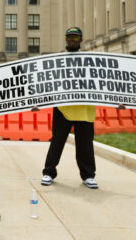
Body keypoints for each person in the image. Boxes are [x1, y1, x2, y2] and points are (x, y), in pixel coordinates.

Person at [40, 27, 101, 189]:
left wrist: (118, 102)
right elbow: (47, 82)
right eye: (69, 37)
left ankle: (88, 175)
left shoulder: (92, 59)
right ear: (66, 39)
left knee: (85, 144)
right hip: (63, 108)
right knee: (57, 142)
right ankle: (48, 172)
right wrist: (37, 101)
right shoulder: (57, 60)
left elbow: (103, 83)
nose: (72, 40)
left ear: (81, 39)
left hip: (85, 109)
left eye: (75, 37)